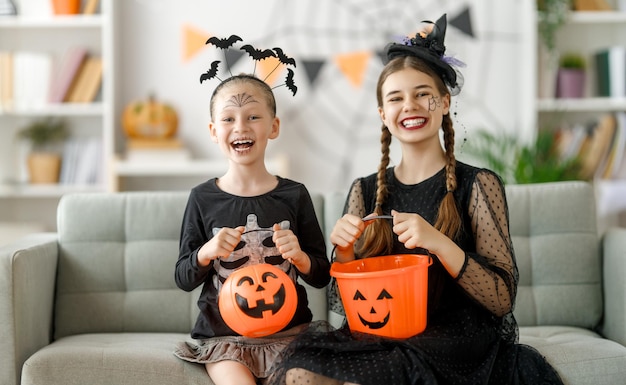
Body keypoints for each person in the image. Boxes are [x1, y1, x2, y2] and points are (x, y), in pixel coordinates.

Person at [277, 14, 564, 385]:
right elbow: (354, 310)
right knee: (300, 374)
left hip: (453, 338)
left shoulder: (476, 184)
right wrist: (346, 255)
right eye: (396, 98)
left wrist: (438, 242)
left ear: (443, 103)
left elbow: (501, 298)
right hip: (384, 335)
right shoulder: (364, 192)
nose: (409, 105)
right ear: (383, 114)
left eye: (422, 94)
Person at [173, 51, 331, 385]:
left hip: (291, 332)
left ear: (273, 127)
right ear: (214, 131)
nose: (240, 127)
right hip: (224, 339)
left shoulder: (295, 195)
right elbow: (183, 277)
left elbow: (321, 276)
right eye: (228, 119)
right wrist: (207, 252)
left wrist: (301, 258)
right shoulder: (202, 198)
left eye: (253, 117)